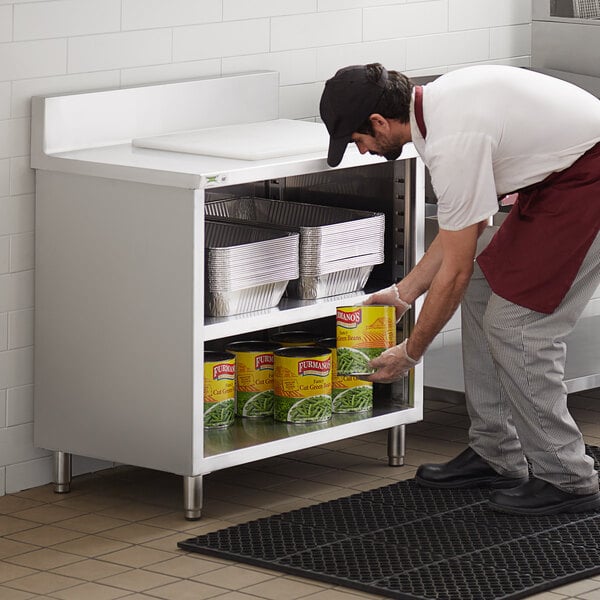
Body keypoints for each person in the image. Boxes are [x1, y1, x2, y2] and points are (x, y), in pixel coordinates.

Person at [319, 63, 600, 515]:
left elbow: (454, 273)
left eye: (359, 141)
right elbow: (460, 237)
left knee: (519, 329)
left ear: (378, 122)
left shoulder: (452, 140)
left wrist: (411, 352)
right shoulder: (437, 110)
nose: (365, 151)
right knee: (485, 286)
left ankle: (568, 478)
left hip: (588, 184)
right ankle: (496, 453)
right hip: (556, 183)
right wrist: (403, 292)